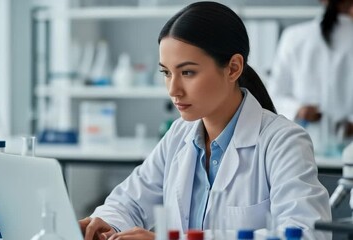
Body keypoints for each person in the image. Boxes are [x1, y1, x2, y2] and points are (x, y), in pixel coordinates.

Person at [79, 2, 331, 240]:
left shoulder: (283, 141)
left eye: (188, 72)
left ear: (233, 68)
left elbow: (306, 233)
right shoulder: (180, 134)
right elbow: (130, 200)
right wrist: (105, 222)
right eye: (166, 73)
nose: (173, 89)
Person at [268, 0, 353, 155]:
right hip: (343, 153)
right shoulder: (295, 37)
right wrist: (299, 110)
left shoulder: (294, 36)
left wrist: (298, 110)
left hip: (298, 151)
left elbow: (273, 96)